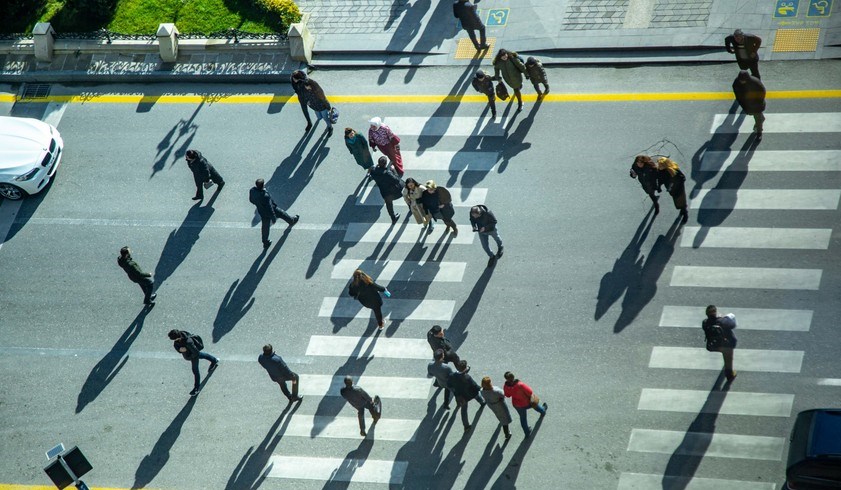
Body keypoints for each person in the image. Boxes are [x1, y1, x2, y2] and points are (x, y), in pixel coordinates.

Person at [249, 178, 299, 249]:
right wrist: (273, 218)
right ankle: (291, 221)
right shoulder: (265, 195)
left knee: (265, 227)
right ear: (263, 185)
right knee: (282, 213)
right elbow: (270, 207)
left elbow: (251, 200)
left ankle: (265, 242)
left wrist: (258, 204)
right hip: (271, 210)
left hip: (262, 211)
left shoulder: (252, 191)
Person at [169, 329, 218, 396]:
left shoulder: (188, 342)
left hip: (193, 356)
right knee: (202, 355)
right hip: (190, 354)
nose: (174, 341)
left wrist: (190, 356)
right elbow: (176, 345)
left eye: (174, 339)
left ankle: (196, 388)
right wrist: (180, 350)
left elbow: (196, 353)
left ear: (178, 337)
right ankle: (214, 360)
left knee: (195, 371)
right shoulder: (180, 336)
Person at [503, 371, 547, 437]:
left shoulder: (506, 386)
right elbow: (530, 392)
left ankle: (527, 432)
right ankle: (543, 411)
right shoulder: (520, 384)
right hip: (527, 402)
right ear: (513, 377)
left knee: (523, 418)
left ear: (506, 379)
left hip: (517, 405)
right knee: (535, 406)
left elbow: (507, 395)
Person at [448, 360, 485, 432]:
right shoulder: (467, 377)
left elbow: (449, 384)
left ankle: (466, 426)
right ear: (465, 368)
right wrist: (481, 388)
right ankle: (482, 403)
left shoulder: (452, 375)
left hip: (461, 396)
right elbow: (475, 386)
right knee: (478, 396)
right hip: (470, 393)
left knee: (464, 410)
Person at [291, 70, 333, 135]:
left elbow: (323, 97)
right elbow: (297, 90)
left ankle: (330, 127)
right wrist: (307, 102)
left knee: (325, 118)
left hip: (321, 106)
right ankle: (310, 122)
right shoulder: (295, 82)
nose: (293, 80)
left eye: (294, 79)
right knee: (318, 116)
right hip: (313, 105)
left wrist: (328, 107)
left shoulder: (313, 88)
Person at [702, 305, 738, 381]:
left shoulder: (705, 323)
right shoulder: (722, 321)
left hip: (713, 346)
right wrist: (722, 318)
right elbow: (733, 325)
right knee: (728, 356)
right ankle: (729, 375)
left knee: (725, 353)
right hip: (727, 344)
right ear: (715, 312)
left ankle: (727, 368)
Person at [732, 70, 767, 141]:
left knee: (757, 118)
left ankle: (759, 133)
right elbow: (738, 97)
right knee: (755, 115)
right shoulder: (736, 83)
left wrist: (758, 103)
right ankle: (761, 119)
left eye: (743, 80)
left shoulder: (755, 82)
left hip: (757, 104)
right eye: (741, 80)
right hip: (747, 104)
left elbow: (762, 91)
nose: (742, 82)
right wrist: (744, 106)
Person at [370, 156, 405, 225]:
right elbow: (396, 180)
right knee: (404, 185)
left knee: (389, 205)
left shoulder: (373, 171)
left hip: (385, 193)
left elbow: (373, 173)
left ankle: (393, 218)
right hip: (395, 192)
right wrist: (393, 170)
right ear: (386, 164)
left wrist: (377, 168)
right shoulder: (387, 173)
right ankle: (410, 204)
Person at [656, 157, 688, 224]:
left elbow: (683, 178)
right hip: (672, 190)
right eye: (659, 164)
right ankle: (682, 209)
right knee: (676, 201)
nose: (659, 166)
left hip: (679, 189)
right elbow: (660, 179)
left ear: (665, 165)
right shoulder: (660, 171)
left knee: (681, 201)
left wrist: (674, 184)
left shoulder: (674, 170)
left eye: (660, 165)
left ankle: (685, 213)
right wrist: (659, 186)